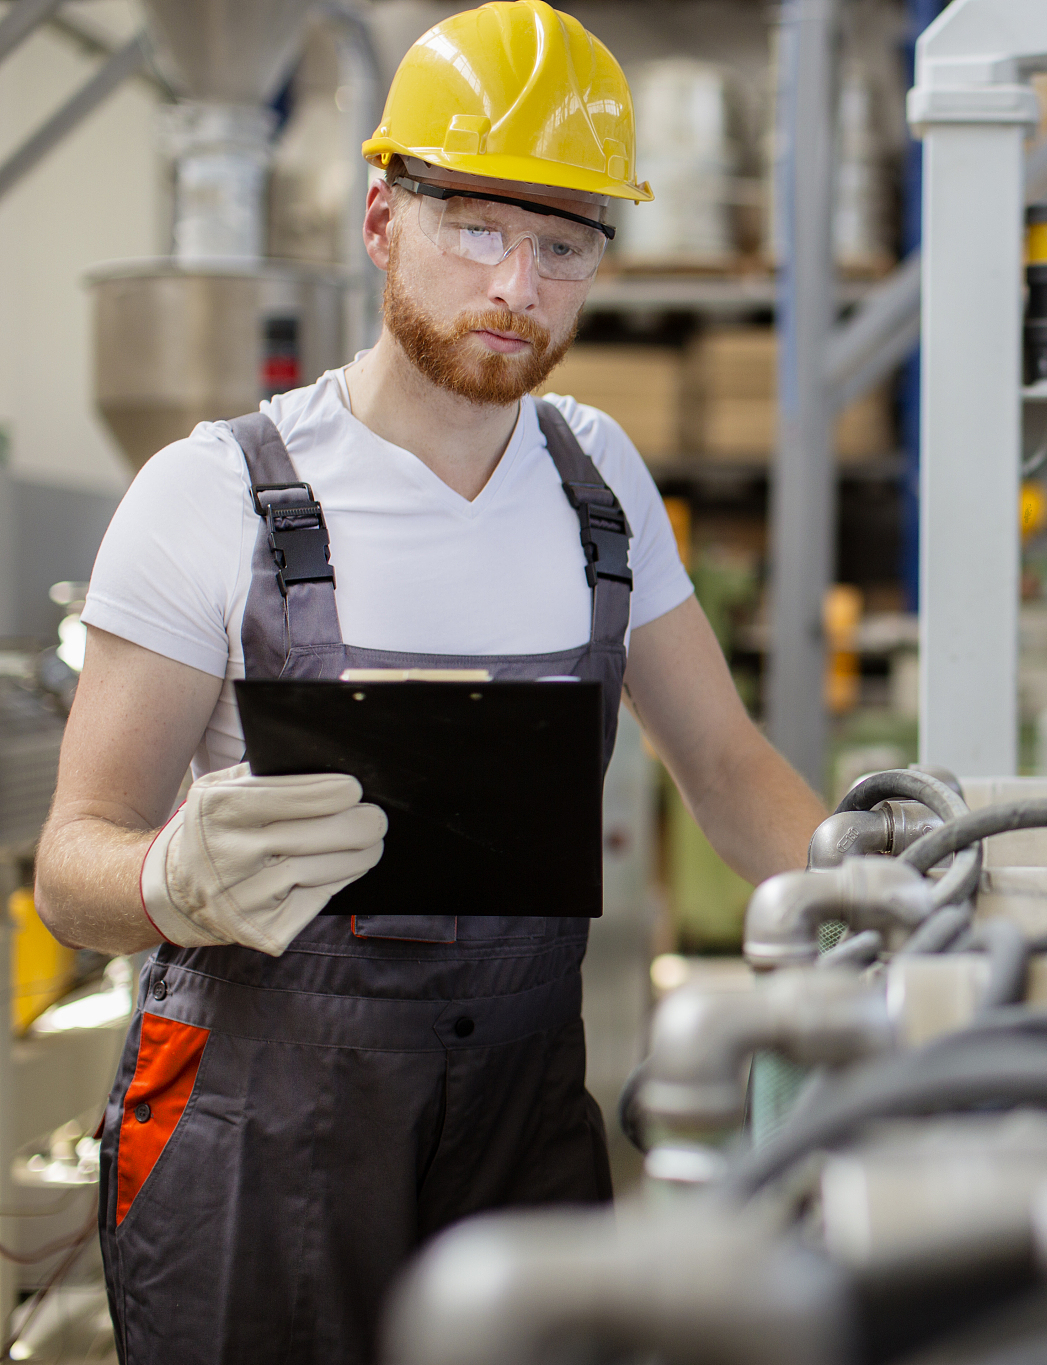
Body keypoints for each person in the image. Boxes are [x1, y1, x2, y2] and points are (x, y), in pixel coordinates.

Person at [33, 3, 827, 1359]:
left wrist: (901, 899)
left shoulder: (599, 483)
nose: (518, 283)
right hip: (256, 1129)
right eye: (476, 226)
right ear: (379, 217)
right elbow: (70, 869)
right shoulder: (213, 494)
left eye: (564, 243)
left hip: (518, 1123)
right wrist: (169, 875)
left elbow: (726, 768)